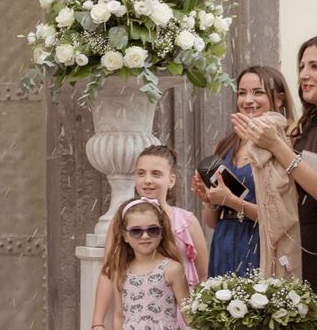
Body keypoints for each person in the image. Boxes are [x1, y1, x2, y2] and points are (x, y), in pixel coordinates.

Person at [233, 35, 317, 329]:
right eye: (301, 66)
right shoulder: (302, 126)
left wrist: (278, 148)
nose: (303, 75)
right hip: (298, 247)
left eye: (314, 66)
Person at [192, 65, 295, 277]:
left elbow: (281, 216)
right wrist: (208, 199)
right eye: (242, 93)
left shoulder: (285, 144)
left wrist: (232, 201)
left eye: (258, 92)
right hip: (224, 241)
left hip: (260, 243)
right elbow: (212, 222)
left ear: (279, 99)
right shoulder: (224, 145)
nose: (248, 100)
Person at [92, 145, 208, 329]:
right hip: (139, 314)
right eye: (141, 173)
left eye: (156, 174)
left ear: (171, 180)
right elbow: (109, 270)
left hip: (180, 314)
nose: (147, 180)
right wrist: (97, 323)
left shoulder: (187, 221)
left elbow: (203, 275)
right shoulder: (122, 220)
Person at [104, 197, 189, 330]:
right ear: (125, 236)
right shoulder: (120, 270)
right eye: (136, 231)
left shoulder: (172, 269)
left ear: (162, 233)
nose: (145, 236)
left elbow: (188, 314)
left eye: (152, 230)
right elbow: (119, 316)